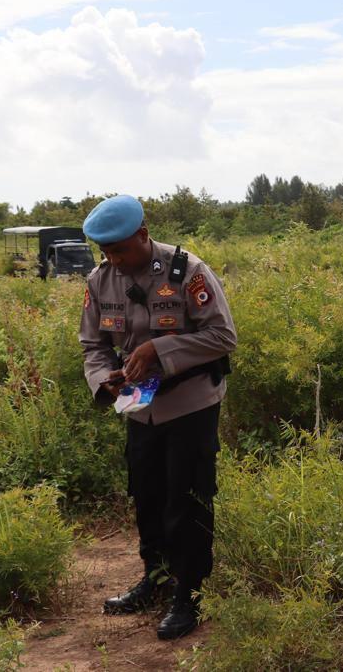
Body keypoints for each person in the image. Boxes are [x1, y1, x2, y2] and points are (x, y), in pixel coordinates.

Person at [77, 195, 236, 640]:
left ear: (143, 235)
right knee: (146, 494)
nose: (114, 260)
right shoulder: (100, 281)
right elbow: (93, 346)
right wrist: (103, 381)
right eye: (106, 252)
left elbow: (222, 336)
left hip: (190, 403)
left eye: (121, 250)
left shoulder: (188, 272)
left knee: (187, 499)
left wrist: (157, 350)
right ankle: (156, 577)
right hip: (138, 406)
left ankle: (190, 593)